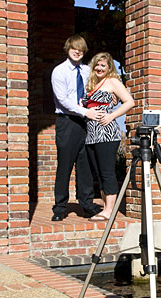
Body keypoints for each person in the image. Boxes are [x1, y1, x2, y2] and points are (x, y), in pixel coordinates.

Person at [50, 35, 103, 222]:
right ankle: (59, 208)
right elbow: (63, 100)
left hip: (86, 123)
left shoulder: (88, 71)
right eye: (74, 47)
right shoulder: (59, 71)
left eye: (81, 48)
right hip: (68, 122)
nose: (78, 51)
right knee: (65, 166)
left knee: (85, 165)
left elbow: (97, 90)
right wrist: (84, 112)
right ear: (68, 48)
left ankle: (87, 205)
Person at [82, 52, 134, 221]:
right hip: (91, 135)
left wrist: (111, 116)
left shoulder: (112, 82)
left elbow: (129, 102)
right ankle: (106, 207)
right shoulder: (92, 84)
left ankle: (109, 211)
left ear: (109, 67)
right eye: (97, 65)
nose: (99, 68)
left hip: (106, 134)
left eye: (103, 65)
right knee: (98, 172)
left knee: (107, 172)